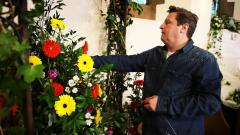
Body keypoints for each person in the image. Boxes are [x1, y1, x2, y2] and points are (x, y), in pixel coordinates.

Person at [93, 5, 222, 135]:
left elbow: (210, 103)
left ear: (184, 28)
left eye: (168, 22)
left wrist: (162, 104)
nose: (161, 26)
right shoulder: (155, 54)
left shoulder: (204, 60)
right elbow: (125, 62)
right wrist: (89, 61)